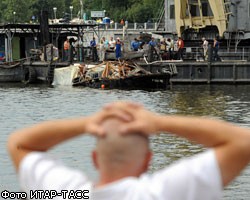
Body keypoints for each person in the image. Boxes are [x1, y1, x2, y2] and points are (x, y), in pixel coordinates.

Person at [8, 101, 250, 200]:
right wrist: (161, 122)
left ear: (94, 159)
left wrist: (88, 123)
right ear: (147, 161)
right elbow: (243, 142)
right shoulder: (162, 193)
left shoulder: (65, 192)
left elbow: (19, 143)